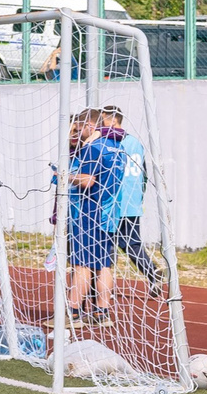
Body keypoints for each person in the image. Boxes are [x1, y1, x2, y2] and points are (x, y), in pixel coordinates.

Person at [65, 108, 123, 328]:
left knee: (81, 265)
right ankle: (102, 312)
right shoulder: (117, 146)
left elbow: (88, 180)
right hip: (110, 213)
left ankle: (73, 313)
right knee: (104, 265)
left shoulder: (92, 148)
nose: (77, 133)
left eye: (80, 128)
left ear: (90, 126)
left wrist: (65, 176)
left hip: (90, 212)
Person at [100, 104, 159, 289]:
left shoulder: (109, 142)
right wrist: (139, 197)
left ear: (113, 119)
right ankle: (152, 272)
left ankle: (99, 285)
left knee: (105, 244)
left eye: (102, 120)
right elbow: (144, 173)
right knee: (131, 244)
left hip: (112, 202)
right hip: (132, 203)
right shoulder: (136, 142)